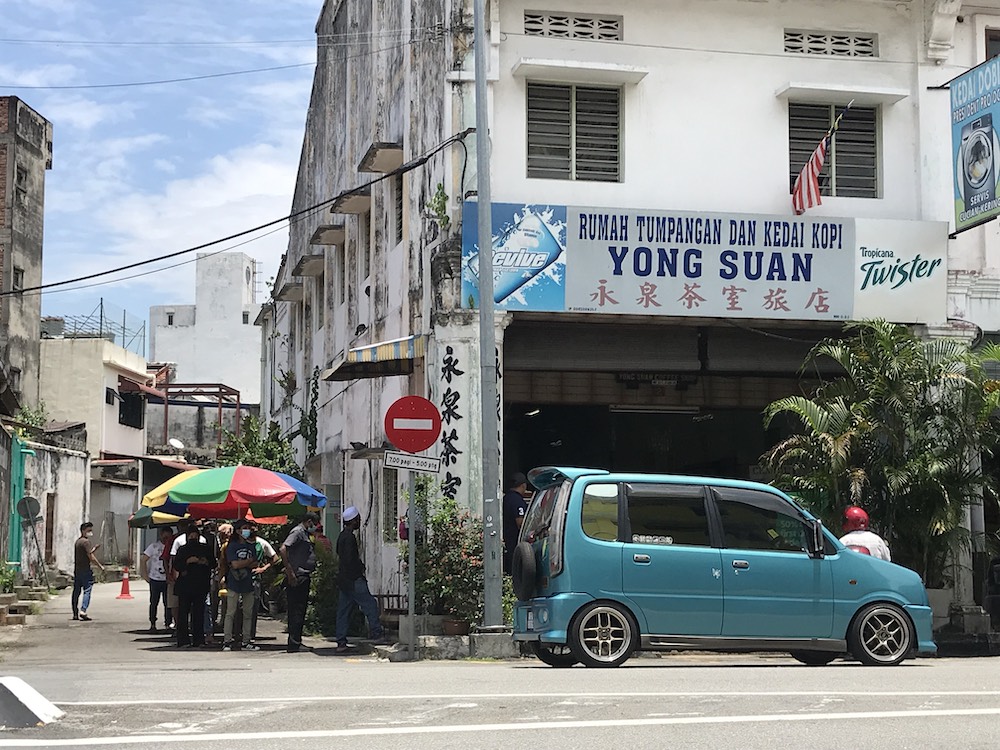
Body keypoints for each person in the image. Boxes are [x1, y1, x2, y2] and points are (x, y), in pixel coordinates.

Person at [334, 506, 389, 653]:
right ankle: (376, 633)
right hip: (353, 580)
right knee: (370, 605)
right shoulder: (350, 538)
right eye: (357, 519)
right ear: (353, 521)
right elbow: (351, 559)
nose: (359, 521)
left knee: (343, 611)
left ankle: (341, 642)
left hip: (344, 580)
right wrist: (359, 571)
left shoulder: (341, 536)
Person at [280, 511, 320, 653]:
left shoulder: (304, 533)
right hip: (297, 576)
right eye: (313, 524)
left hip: (302, 575)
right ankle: (294, 643)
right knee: (296, 610)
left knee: (300, 610)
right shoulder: (297, 532)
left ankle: (296, 641)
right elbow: (283, 548)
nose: (314, 527)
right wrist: (290, 572)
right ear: (308, 521)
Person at [172, 525, 215, 647]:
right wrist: (187, 562)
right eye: (190, 536)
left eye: (195, 535)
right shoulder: (182, 549)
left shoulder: (205, 548)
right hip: (185, 586)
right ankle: (183, 640)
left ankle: (198, 640)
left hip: (200, 585)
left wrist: (205, 561)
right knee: (183, 614)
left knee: (199, 614)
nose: (193, 538)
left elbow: (213, 563)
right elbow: (177, 565)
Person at [222, 520, 259, 652]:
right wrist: (247, 562)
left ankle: (246, 641)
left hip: (248, 583)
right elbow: (234, 564)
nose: (247, 531)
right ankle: (227, 641)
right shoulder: (231, 546)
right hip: (233, 583)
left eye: (248, 528)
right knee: (230, 613)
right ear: (237, 531)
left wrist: (243, 563)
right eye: (244, 528)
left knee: (248, 613)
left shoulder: (252, 545)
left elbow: (255, 564)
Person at [141, 526, 173, 633]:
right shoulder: (154, 546)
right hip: (155, 578)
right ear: (161, 536)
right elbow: (144, 559)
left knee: (168, 603)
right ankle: (153, 623)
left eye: (168, 537)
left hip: (167, 579)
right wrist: (145, 575)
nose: (166, 539)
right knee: (154, 602)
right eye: (164, 537)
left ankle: (168, 623)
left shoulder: (172, 547)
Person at [72, 521, 105, 621]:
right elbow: (90, 557)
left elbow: (86, 554)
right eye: (88, 530)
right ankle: (83, 610)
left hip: (77, 570)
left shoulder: (78, 542)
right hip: (85, 570)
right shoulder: (86, 542)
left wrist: (94, 549)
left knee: (76, 592)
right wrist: (100, 566)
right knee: (87, 590)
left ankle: (75, 613)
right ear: (83, 531)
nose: (90, 532)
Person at [502, 472, 530, 574]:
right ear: (523, 485)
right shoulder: (517, 501)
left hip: (506, 539)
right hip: (514, 542)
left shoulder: (506, 498)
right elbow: (521, 523)